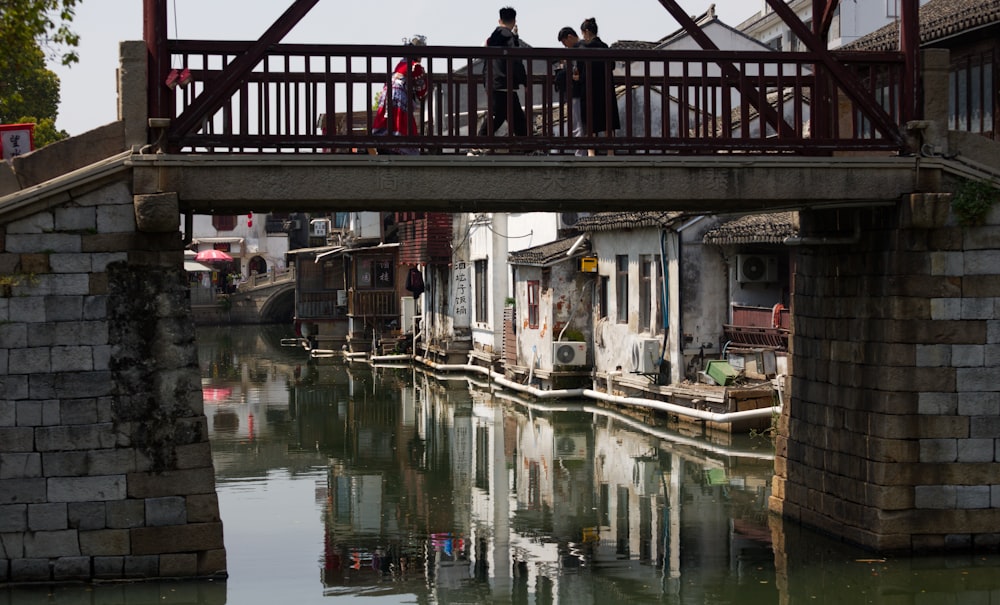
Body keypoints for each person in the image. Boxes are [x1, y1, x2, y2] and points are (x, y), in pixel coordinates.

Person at [468, 7, 528, 156]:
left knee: (513, 116)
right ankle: (476, 147)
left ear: (499, 20)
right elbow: (516, 60)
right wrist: (524, 80)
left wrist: (486, 82)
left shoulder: (491, 38)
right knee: (498, 116)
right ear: (514, 21)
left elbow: (486, 62)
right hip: (505, 82)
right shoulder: (509, 37)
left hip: (494, 82)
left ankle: (529, 148)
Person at [372, 35, 430, 155]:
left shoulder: (402, 63)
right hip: (401, 96)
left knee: (388, 123)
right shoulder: (416, 66)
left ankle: (384, 144)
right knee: (402, 125)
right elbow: (421, 91)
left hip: (388, 94)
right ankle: (400, 148)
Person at [578, 17, 621, 156]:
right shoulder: (605, 47)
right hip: (605, 88)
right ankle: (610, 151)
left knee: (591, 121)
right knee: (608, 118)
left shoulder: (584, 49)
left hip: (589, 88)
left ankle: (591, 152)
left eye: (583, 33)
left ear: (587, 32)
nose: (583, 37)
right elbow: (612, 65)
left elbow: (579, 69)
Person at [555, 26, 585, 156]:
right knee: (578, 124)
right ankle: (581, 151)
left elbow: (576, 72)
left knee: (578, 124)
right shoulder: (580, 48)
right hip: (577, 91)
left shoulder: (579, 50)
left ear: (570, 37)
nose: (565, 46)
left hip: (577, 91)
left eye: (564, 43)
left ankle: (580, 152)